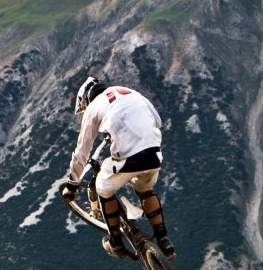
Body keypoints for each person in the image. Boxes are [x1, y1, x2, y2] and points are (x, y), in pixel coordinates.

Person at [58, 76, 175, 259]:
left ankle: (116, 243)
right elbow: (157, 121)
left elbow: (82, 152)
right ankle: (163, 239)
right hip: (153, 152)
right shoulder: (130, 92)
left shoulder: (93, 107)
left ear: (86, 98)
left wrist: (73, 184)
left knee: (103, 189)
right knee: (145, 189)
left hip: (128, 157)